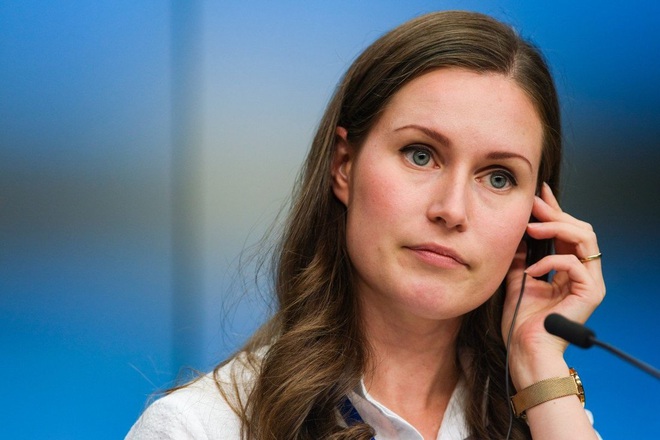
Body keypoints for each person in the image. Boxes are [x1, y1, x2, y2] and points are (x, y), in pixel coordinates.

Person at [127, 10, 605, 440]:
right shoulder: (200, 428)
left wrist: (538, 361)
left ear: (535, 216)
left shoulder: (548, 416)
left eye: (499, 178)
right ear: (344, 166)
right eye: (420, 155)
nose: (452, 209)